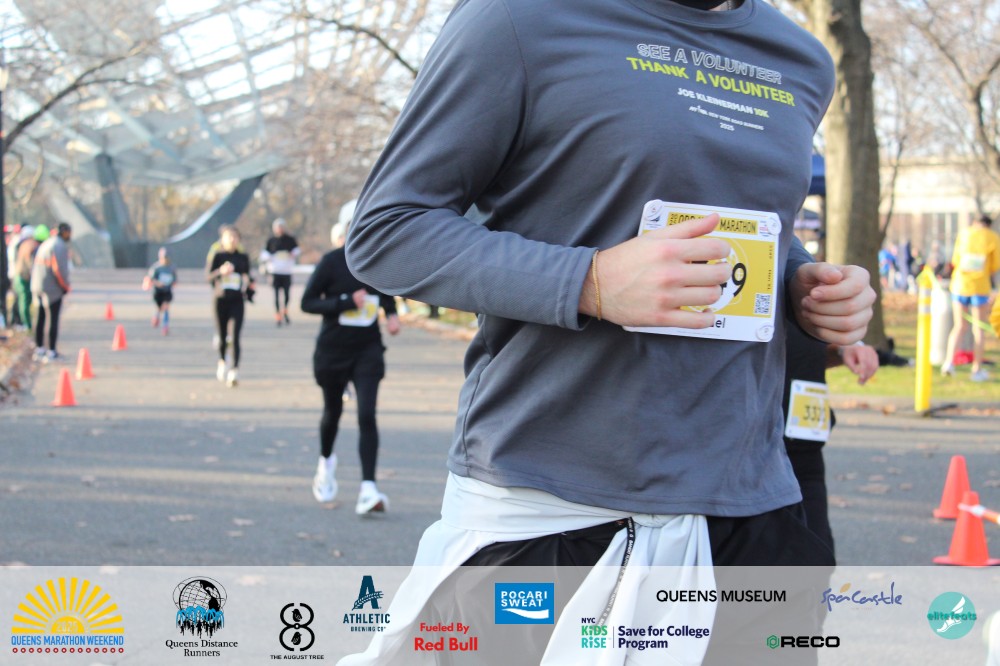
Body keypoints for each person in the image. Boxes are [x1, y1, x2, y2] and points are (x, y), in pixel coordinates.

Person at [342, 0, 875, 663]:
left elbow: (749, 218)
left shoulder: (800, 58)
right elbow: (387, 230)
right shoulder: (516, 20)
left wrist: (802, 286)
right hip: (552, 506)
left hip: (751, 509)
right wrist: (588, 281)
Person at [302, 223, 400, 515]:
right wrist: (344, 302)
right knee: (332, 413)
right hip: (333, 352)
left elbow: (385, 296)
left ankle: (368, 489)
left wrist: (392, 315)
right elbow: (307, 302)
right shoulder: (331, 262)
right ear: (347, 236)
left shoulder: (377, 262)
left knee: (367, 414)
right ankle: (326, 463)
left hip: (367, 351)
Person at [782, 325, 879, 555]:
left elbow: (807, 346)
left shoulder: (806, 301)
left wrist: (845, 348)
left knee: (816, 558)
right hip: (742, 450)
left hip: (803, 447)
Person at [941, 214, 1000, 382]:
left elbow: (955, 259)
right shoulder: (992, 237)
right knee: (979, 329)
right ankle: (976, 370)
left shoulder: (964, 233)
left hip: (959, 285)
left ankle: (949, 363)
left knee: (959, 326)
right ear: (988, 225)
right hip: (979, 287)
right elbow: (995, 265)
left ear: (975, 222)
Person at [206, 225, 250, 387]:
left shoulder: (243, 257)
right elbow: (208, 277)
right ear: (223, 239)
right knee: (222, 336)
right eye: (229, 236)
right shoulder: (218, 256)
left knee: (235, 336)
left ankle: (234, 371)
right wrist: (220, 272)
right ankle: (222, 361)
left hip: (237, 301)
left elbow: (247, 276)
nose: (232, 240)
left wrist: (247, 281)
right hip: (220, 301)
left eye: (235, 237)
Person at [30, 223, 71, 362]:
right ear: (64, 232)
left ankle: (39, 349)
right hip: (51, 288)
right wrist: (65, 286)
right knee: (53, 319)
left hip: (37, 285)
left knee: (40, 318)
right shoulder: (59, 245)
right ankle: (52, 351)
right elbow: (59, 269)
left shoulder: (47, 243)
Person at [260, 218, 300, 327]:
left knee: (287, 294)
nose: (280, 229)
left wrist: (292, 254)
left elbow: (297, 250)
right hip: (275, 271)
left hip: (286, 271)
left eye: (281, 227)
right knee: (276, 295)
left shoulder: (290, 239)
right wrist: (270, 257)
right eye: (278, 227)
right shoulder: (271, 240)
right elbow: (264, 254)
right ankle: (278, 314)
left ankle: (285, 310)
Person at [146, 247, 178, 335]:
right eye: (163, 258)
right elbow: (150, 279)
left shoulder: (171, 268)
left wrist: (172, 283)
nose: (165, 260)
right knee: (159, 308)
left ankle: (165, 326)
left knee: (166, 308)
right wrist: (157, 283)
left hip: (167, 292)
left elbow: (174, 280)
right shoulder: (156, 268)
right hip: (158, 292)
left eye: (166, 258)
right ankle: (156, 317)